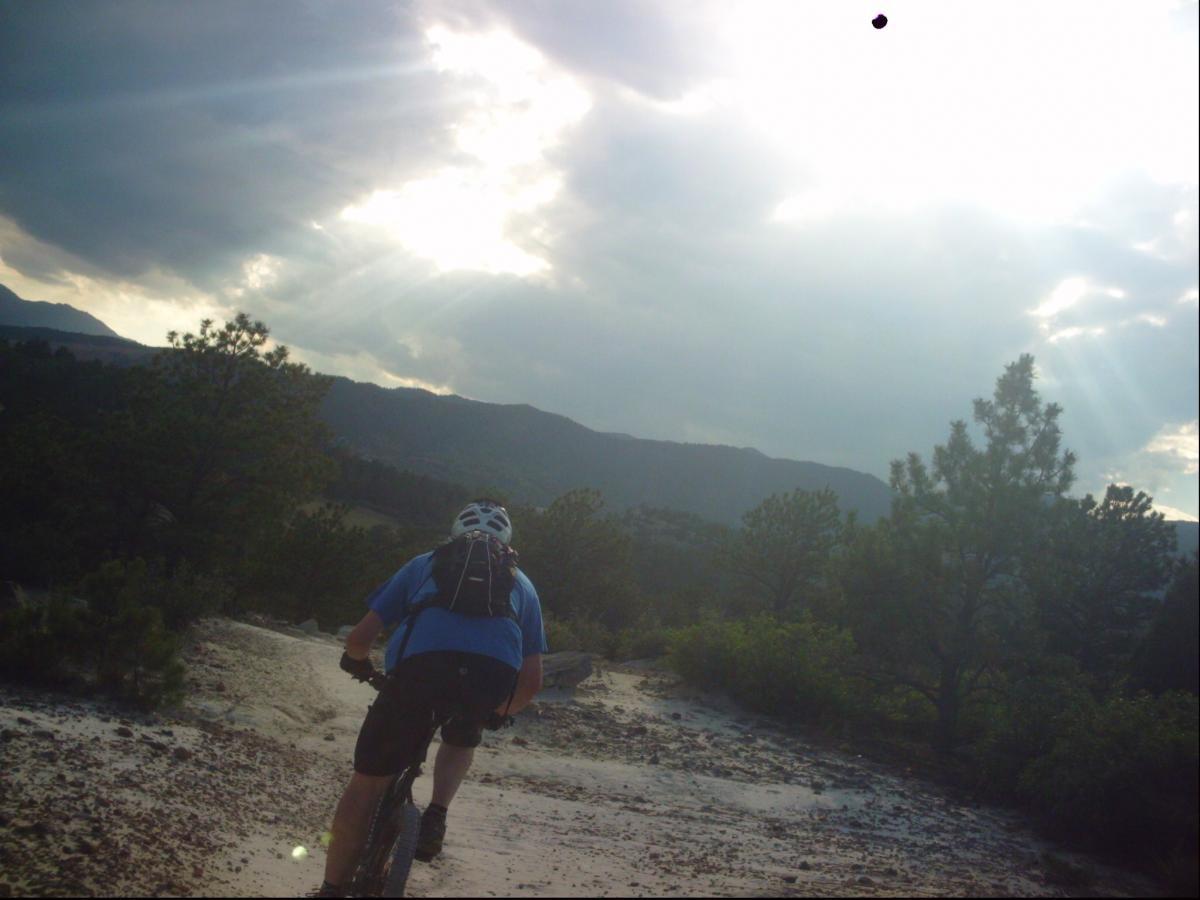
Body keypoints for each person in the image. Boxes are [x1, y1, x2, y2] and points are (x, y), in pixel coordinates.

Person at [311, 500, 546, 899]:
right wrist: (498, 712)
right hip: (491, 677)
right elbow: (532, 680)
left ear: (454, 533)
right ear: (506, 542)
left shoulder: (423, 564)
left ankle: (331, 889)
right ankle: (436, 815)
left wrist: (358, 665)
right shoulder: (522, 583)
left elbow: (359, 639)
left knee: (366, 785)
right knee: (462, 734)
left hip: (420, 672)